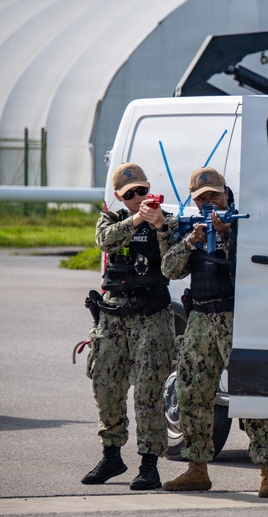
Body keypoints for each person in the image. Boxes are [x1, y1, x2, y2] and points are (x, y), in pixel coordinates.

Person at [160, 166, 268, 498]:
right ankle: (197, 468)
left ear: (227, 193)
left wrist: (227, 236)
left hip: (236, 317)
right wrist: (189, 242)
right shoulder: (192, 228)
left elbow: (258, 267)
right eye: (202, 199)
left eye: (214, 195)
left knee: (252, 394)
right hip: (200, 317)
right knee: (192, 394)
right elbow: (169, 269)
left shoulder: (246, 226)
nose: (208, 203)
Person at [83, 162, 176, 490]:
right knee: (105, 384)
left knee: (149, 392)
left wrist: (161, 227)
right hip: (113, 315)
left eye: (142, 191)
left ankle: (149, 466)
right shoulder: (111, 219)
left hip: (151, 315)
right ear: (121, 197)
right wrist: (137, 220)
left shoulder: (166, 221)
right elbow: (105, 241)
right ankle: (112, 455)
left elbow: (175, 264)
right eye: (131, 194)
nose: (139, 198)